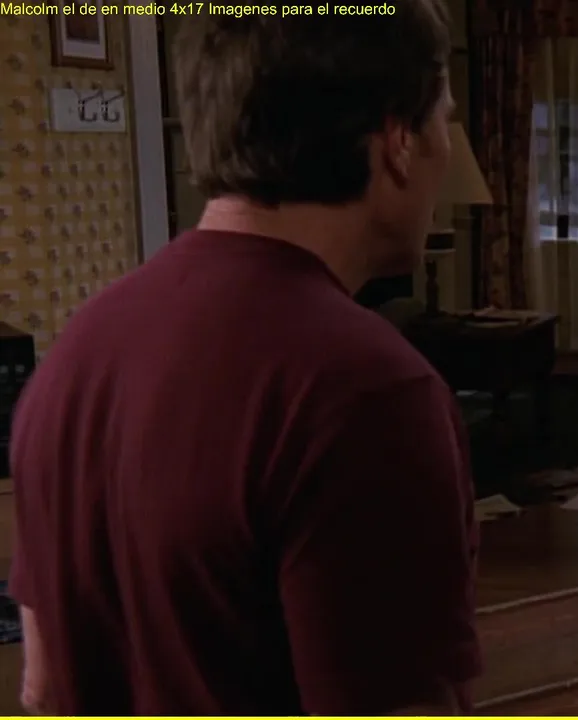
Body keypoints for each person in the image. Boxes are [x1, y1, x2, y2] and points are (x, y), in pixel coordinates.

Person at [8, 4, 479, 715]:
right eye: (444, 118)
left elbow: (42, 691)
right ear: (397, 142)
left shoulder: (76, 353)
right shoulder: (366, 391)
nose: (446, 147)